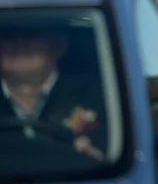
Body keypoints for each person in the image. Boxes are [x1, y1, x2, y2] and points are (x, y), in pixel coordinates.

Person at [0, 26, 106, 161]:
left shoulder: (101, 95)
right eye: (9, 34)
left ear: (59, 45)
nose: (19, 41)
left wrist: (96, 157)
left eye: (31, 33)